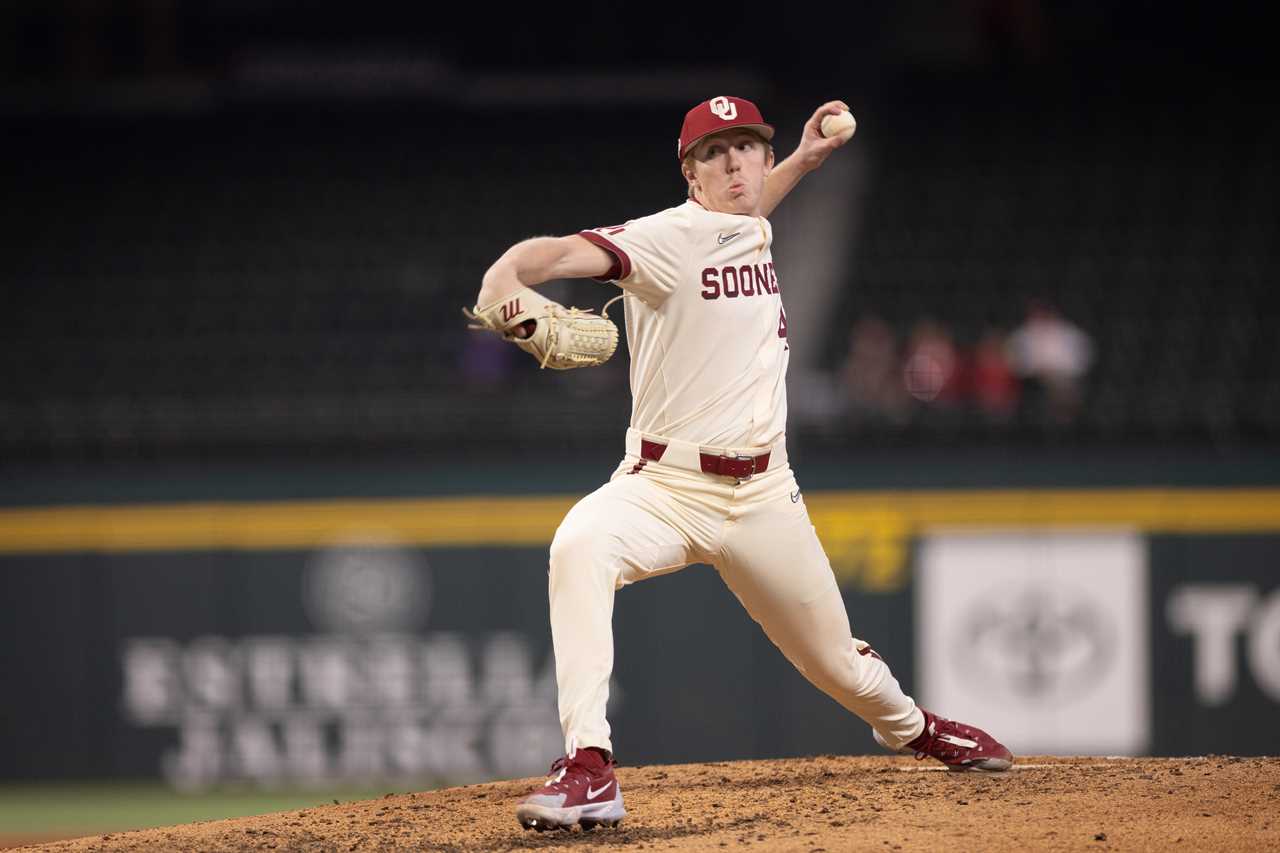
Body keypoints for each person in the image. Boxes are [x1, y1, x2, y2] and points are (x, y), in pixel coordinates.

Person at [470, 96, 1013, 833]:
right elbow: (562, 253)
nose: (736, 164)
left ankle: (915, 727)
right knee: (580, 543)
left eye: (748, 149)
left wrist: (803, 160)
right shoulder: (667, 238)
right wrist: (505, 279)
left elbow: (752, 207)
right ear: (691, 173)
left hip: (764, 494)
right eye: (717, 154)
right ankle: (590, 766)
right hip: (665, 485)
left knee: (839, 666)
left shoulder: (749, 222)